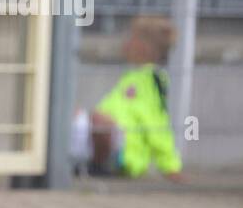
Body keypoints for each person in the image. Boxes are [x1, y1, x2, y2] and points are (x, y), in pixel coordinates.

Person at [72, 15, 187, 182]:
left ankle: (99, 165)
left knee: (97, 121)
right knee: (74, 115)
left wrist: (170, 166)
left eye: (131, 38)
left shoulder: (153, 80)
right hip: (109, 138)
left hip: (126, 152)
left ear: (144, 47)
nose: (125, 43)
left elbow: (157, 122)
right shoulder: (134, 75)